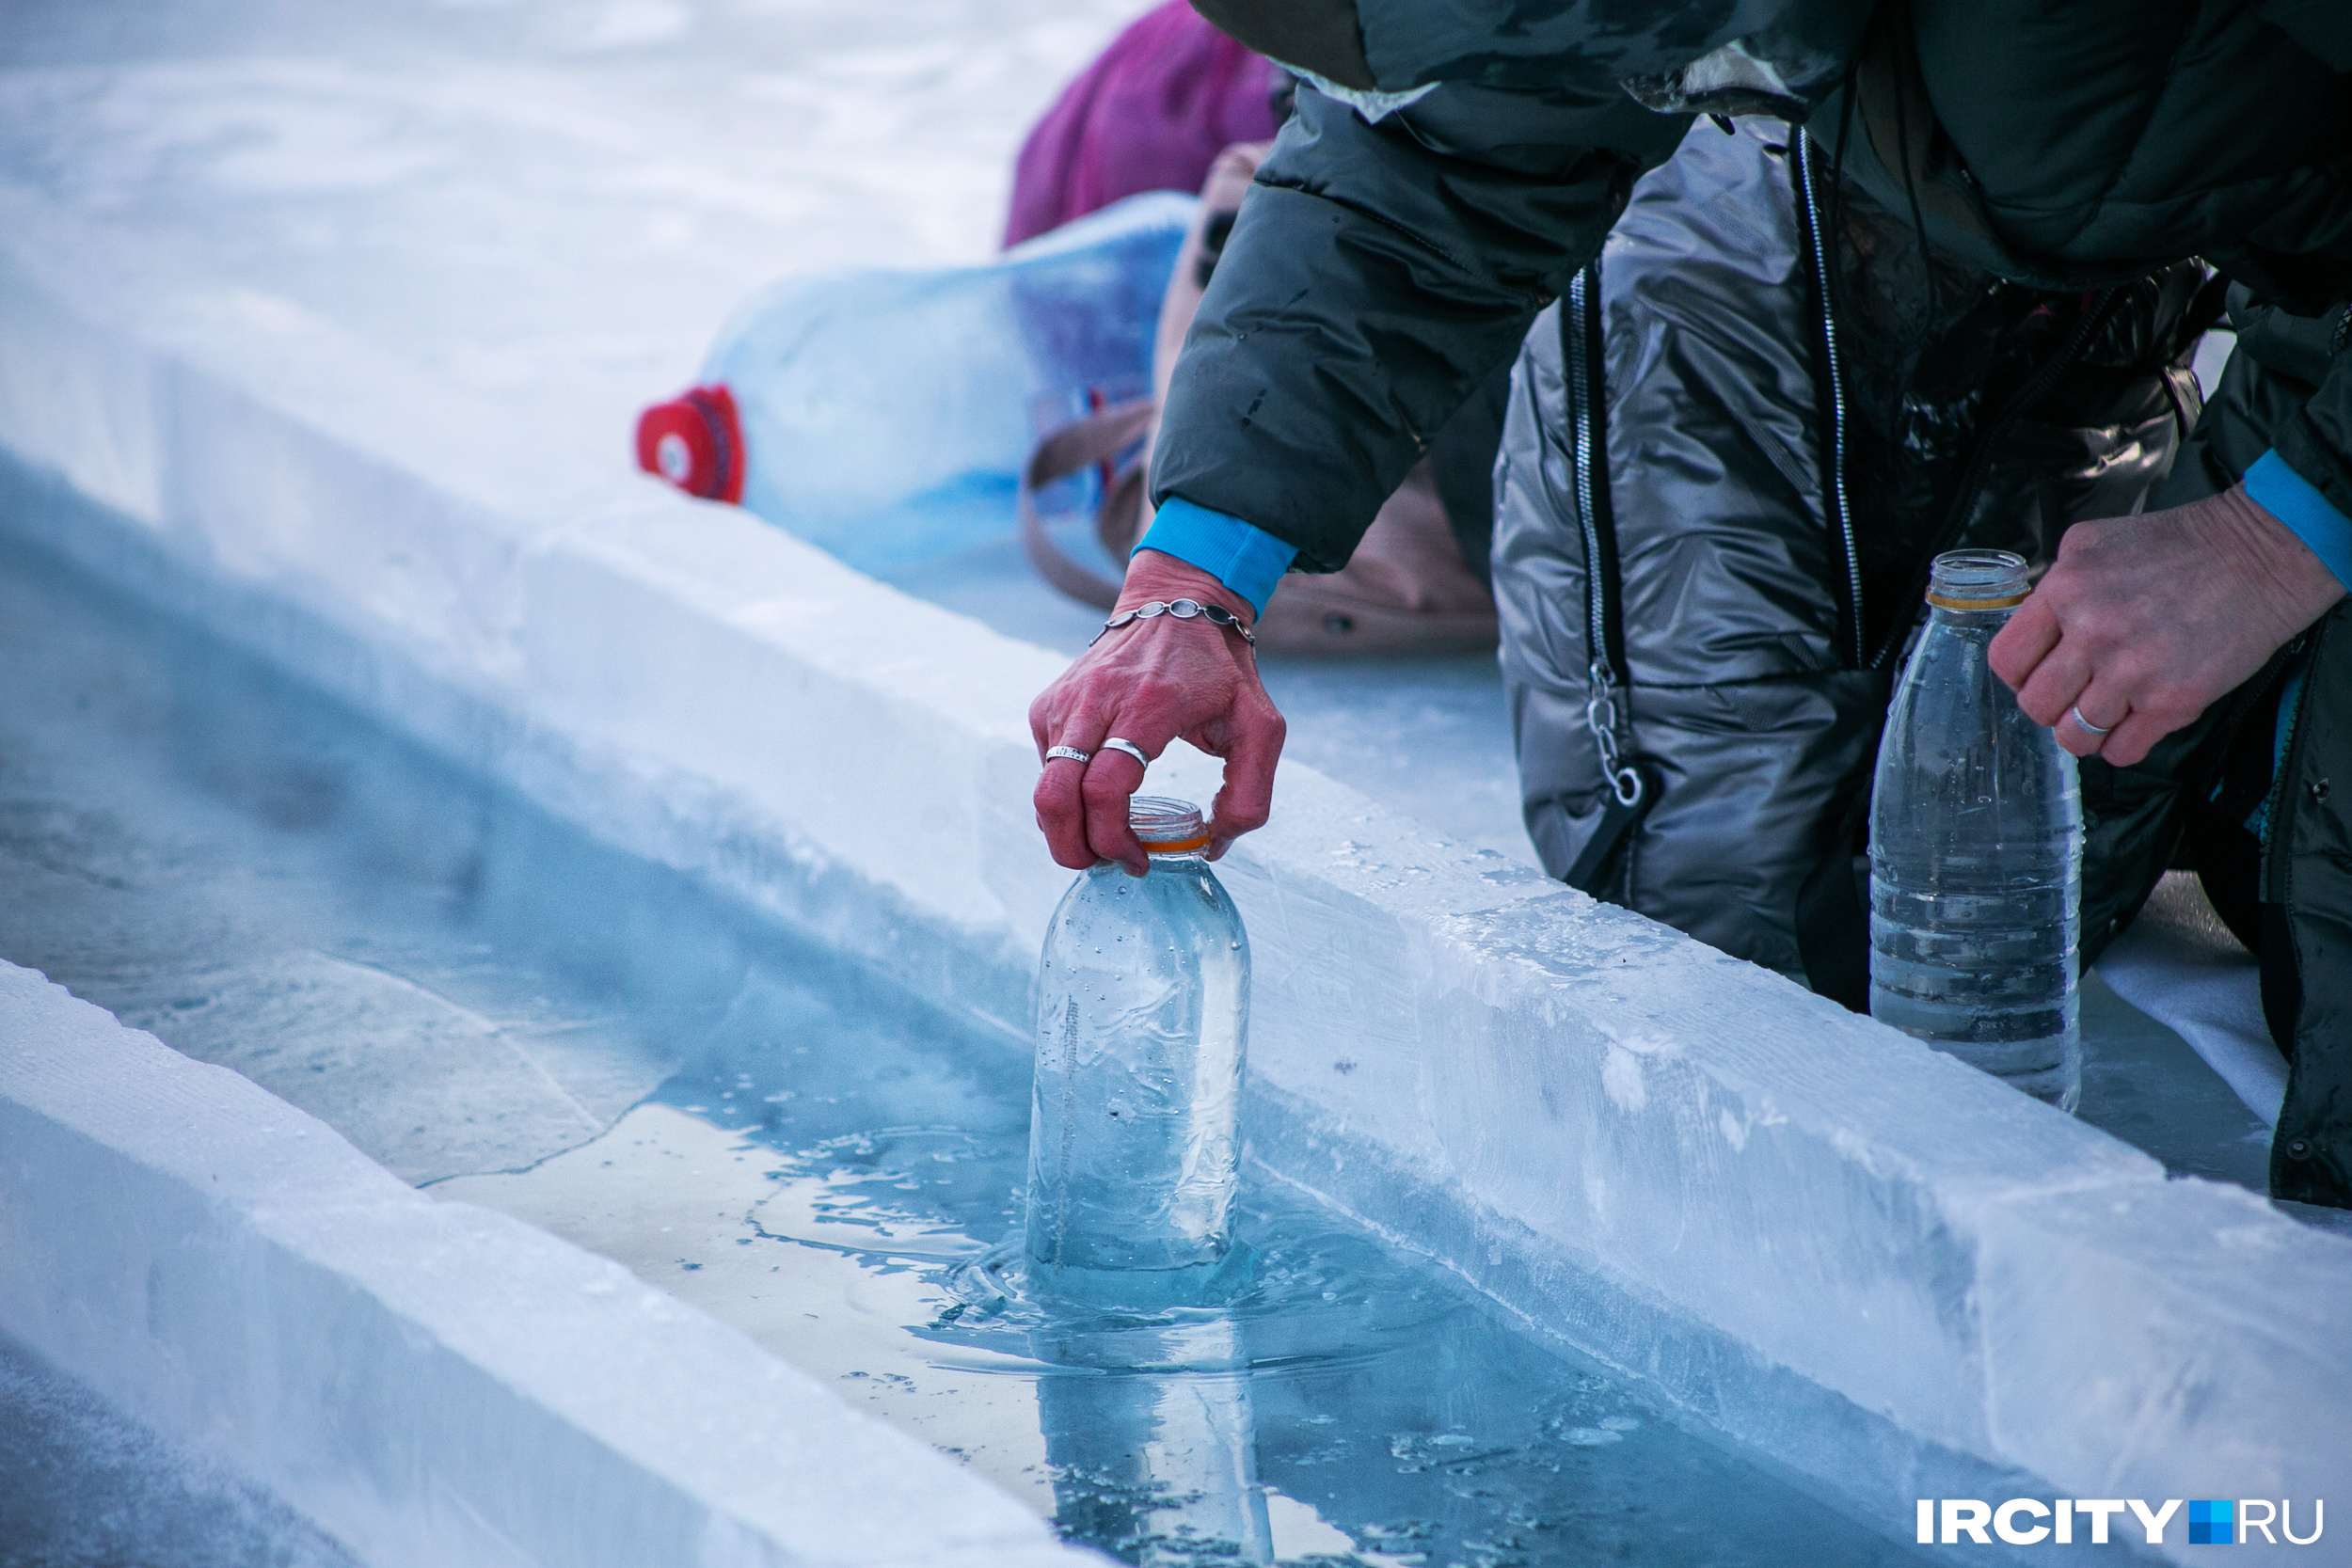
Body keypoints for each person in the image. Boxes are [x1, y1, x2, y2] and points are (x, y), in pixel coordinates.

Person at [1028, 3, 2352, 1205]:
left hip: (2240, 325)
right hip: (2035, 208)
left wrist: (2280, 535)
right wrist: (1189, 586)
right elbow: (1427, 166)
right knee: (1767, 917)